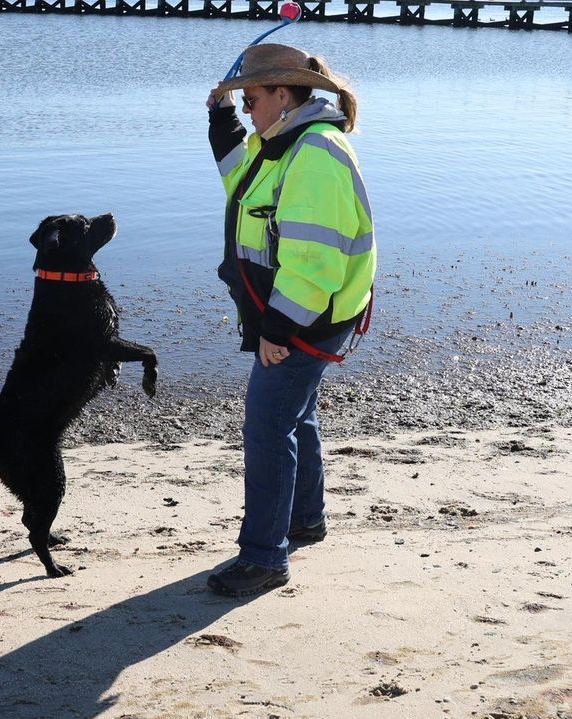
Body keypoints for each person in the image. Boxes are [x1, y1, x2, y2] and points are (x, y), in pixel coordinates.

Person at [204, 43, 376, 597]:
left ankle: (263, 558)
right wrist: (220, 117)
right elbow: (241, 182)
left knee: (267, 427)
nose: (248, 108)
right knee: (295, 416)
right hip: (295, 316)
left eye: (250, 99)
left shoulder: (315, 155)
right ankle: (305, 519)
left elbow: (314, 260)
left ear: (284, 95)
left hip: (304, 319)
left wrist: (279, 332)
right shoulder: (279, 144)